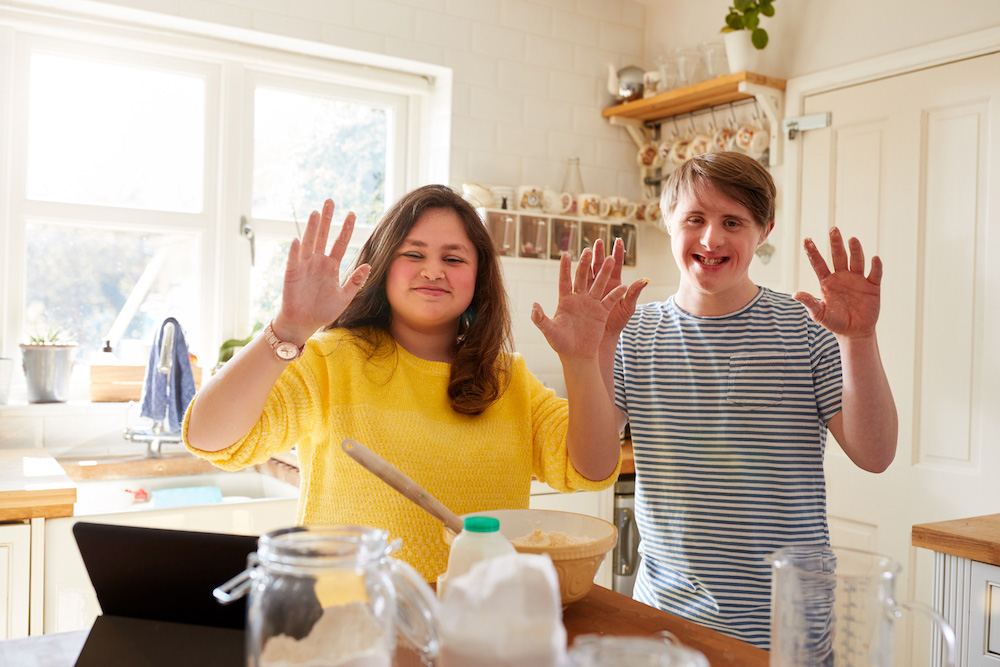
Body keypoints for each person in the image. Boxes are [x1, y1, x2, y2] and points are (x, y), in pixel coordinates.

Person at [183, 184, 646, 582]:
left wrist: (583, 360)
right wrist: (288, 328)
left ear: (478, 278)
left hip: (476, 615)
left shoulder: (509, 379)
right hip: (353, 619)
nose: (433, 270)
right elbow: (210, 439)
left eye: (453, 257)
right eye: (413, 254)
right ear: (383, 267)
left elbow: (592, 469)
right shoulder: (331, 360)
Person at [597, 151, 897, 648]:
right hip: (665, 616)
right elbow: (591, 462)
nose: (711, 238)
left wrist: (860, 340)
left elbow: (876, 454)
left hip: (785, 621)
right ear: (667, 220)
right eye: (695, 218)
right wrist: (591, 353)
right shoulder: (632, 334)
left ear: (764, 230)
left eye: (732, 221)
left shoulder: (808, 328)